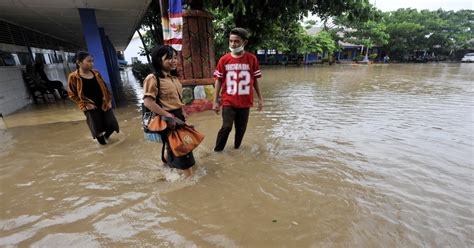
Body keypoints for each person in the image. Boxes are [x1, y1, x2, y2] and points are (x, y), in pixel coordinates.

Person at [142, 45, 194, 177]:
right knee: (183, 151)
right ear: (159, 61)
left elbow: (177, 99)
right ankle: (189, 180)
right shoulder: (152, 79)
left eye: (175, 58)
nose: (174, 61)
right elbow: (148, 102)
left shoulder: (173, 78)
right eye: (169, 58)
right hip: (166, 119)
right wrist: (169, 116)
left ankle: (164, 170)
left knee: (173, 146)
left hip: (177, 117)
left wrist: (182, 112)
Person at [212, 27, 264, 152]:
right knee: (226, 127)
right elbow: (218, 80)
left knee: (241, 129)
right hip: (228, 101)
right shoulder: (224, 60)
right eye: (230, 41)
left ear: (244, 42)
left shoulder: (252, 59)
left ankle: (236, 150)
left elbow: (255, 80)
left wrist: (260, 99)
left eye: (236, 41)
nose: (233, 44)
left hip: (245, 102)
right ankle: (217, 151)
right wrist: (215, 101)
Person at [67, 51, 119, 145]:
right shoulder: (73, 77)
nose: (92, 63)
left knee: (112, 124)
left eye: (92, 61)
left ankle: (106, 138)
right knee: (97, 129)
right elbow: (72, 94)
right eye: (89, 61)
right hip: (89, 106)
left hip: (103, 102)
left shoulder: (96, 73)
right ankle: (104, 149)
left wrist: (109, 100)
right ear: (79, 62)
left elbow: (105, 88)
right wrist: (85, 105)